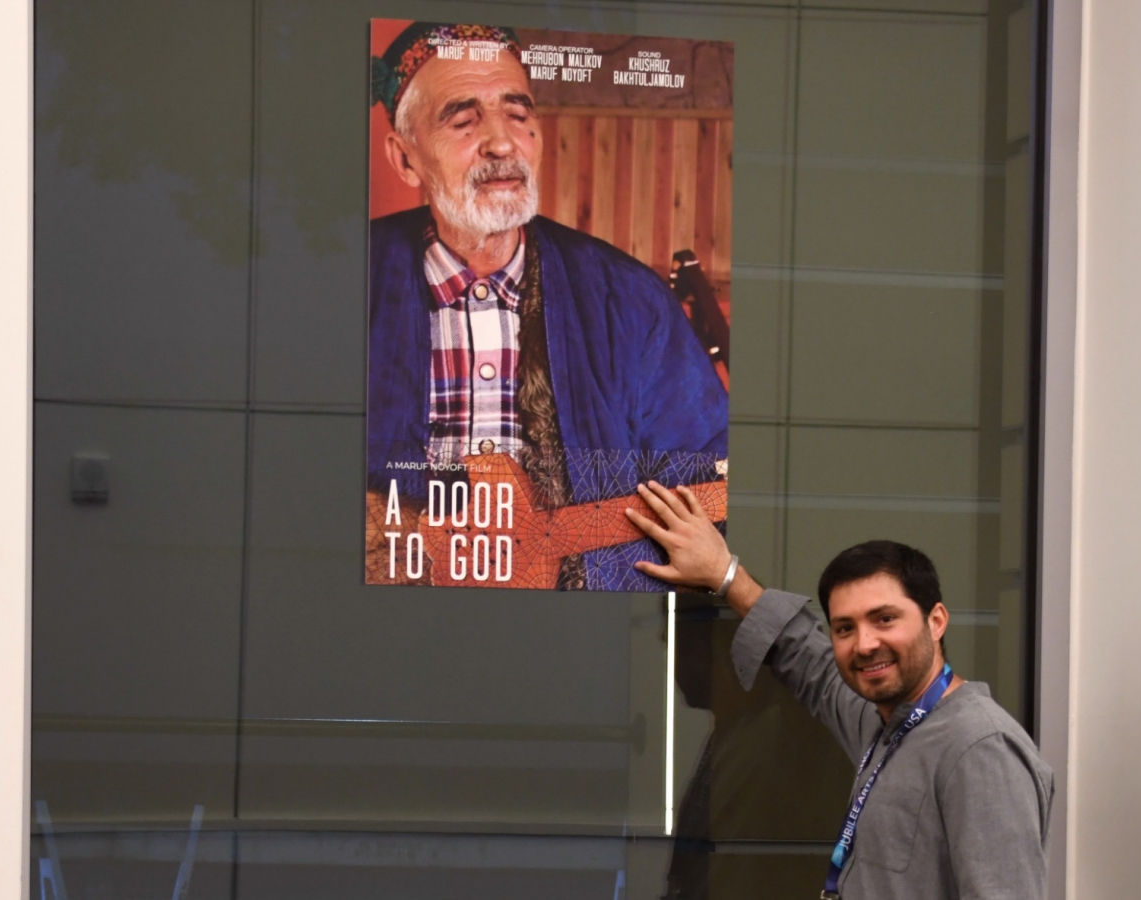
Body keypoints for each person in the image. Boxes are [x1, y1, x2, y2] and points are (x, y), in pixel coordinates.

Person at [365, 24, 728, 590]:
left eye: (518, 114)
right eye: (463, 121)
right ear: (406, 159)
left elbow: (713, 481)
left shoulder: (629, 299)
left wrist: (553, 539)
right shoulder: (342, 283)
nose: (502, 143)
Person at [625, 481, 1054, 899]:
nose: (865, 644)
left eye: (885, 619)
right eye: (845, 628)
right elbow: (807, 656)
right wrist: (724, 574)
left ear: (936, 621)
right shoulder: (880, 723)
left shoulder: (980, 748)